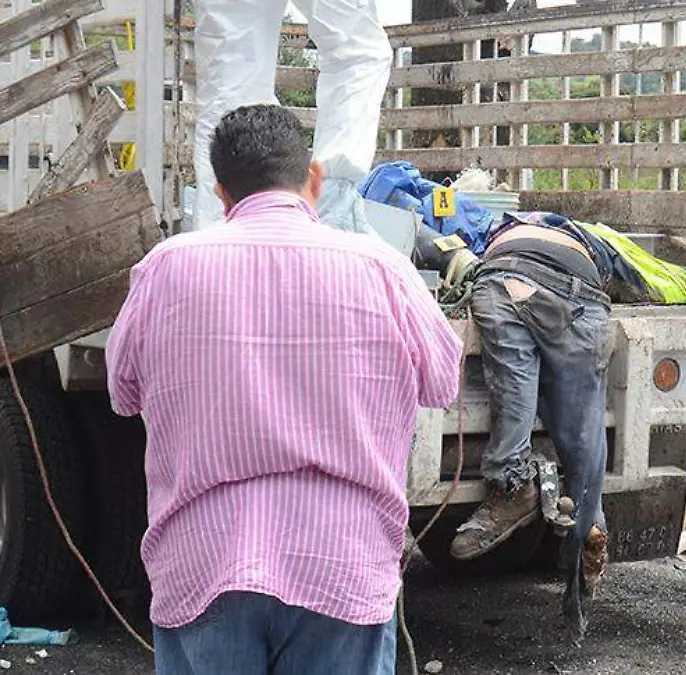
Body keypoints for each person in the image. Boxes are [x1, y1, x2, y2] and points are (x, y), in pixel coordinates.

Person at [106, 104, 462, 674]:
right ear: (313, 179)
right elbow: (443, 381)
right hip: (342, 559)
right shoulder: (383, 268)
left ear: (222, 194)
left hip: (204, 557)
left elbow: (122, 393)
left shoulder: (165, 268)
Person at [412, 211, 614, 639]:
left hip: (508, 282)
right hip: (587, 301)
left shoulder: (496, 237)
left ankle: (512, 483)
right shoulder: (582, 236)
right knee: (583, 434)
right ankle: (591, 521)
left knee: (516, 378)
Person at [191, 0, 392, 233]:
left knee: (230, 83)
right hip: (323, 210)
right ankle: (329, 207)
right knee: (357, 50)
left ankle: (219, 236)